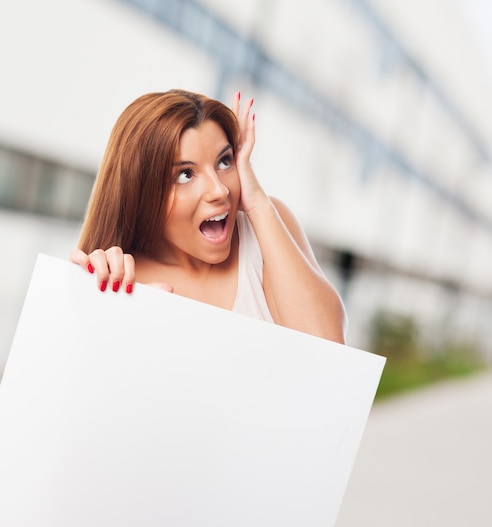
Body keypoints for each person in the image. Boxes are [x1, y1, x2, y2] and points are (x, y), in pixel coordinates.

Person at [70, 89, 346, 344]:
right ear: (142, 191)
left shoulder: (266, 228)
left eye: (224, 161)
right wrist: (90, 300)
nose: (219, 189)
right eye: (185, 174)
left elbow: (330, 347)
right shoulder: (122, 279)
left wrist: (260, 205)